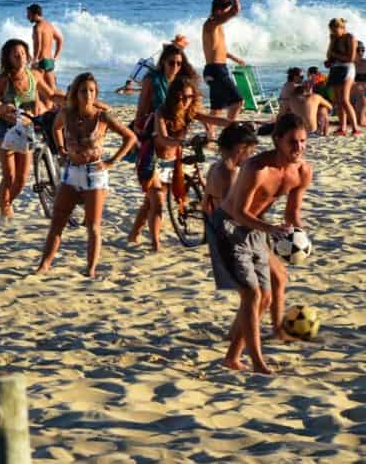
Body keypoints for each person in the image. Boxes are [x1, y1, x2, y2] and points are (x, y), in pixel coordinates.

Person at [209, 113, 312, 374]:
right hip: (228, 228)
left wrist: (300, 235)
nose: (298, 148)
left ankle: (232, 357)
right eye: (292, 142)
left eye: (302, 141)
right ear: (277, 139)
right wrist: (271, 229)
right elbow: (239, 212)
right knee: (252, 295)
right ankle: (257, 362)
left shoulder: (302, 171)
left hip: (257, 229)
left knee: (265, 297)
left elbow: (292, 214)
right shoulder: (256, 168)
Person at [36, 73, 136, 277]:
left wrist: (112, 162)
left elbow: (130, 137)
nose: (87, 95)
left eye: (91, 91)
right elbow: (56, 128)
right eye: (83, 91)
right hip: (71, 172)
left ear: (96, 93)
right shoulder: (67, 113)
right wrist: (62, 150)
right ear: (75, 94)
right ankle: (44, 265)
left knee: (92, 225)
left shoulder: (102, 117)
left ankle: (90, 269)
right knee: (58, 221)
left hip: (95, 174)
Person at [203, 122, 293, 344]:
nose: (251, 156)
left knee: (269, 284)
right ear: (240, 148)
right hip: (241, 234)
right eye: (250, 151)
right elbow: (233, 209)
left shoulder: (215, 167)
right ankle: (248, 334)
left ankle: (256, 331)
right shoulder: (230, 172)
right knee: (261, 291)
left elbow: (206, 203)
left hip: (237, 231)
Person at [127, 76, 232, 251]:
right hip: (152, 161)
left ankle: (133, 234)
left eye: (189, 97)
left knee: (150, 202)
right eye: (182, 96)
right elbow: (162, 137)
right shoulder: (161, 112)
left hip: (171, 163)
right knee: (158, 202)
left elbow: (214, 120)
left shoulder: (189, 113)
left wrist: (235, 124)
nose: (185, 101)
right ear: (173, 96)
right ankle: (156, 244)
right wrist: (180, 143)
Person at [0, 39, 61, 220]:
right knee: (9, 176)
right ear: (8, 59)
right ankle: (5, 212)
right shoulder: (2, 80)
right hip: (5, 130)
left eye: (22, 53)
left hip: (27, 130)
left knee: (22, 178)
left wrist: (75, 100)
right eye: (15, 55)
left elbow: (50, 94)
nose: (20, 57)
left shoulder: (33, 75)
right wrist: (3, 109)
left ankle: (6, 204)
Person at [201, 0, 245, 139]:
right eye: (226, 10)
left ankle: (210, 134)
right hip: (216, 69)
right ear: (219, 10)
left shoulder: (216, 26)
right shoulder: (211, 23)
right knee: (238, 101)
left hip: (214, 69)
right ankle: (230, 131)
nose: (227, 14)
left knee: (217, 108)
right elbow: (233, 13)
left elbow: (218, 48)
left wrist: (234, 58)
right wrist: (235, 6)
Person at [134, 43, 198, 130]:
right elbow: (142, 107)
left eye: (179, 63)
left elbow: (192, 106)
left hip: (177, 121)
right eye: (171, 63)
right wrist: (138, 125)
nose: (175, 66)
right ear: (163, 61)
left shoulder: (182, 81)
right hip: (156, 122)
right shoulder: (151, 79)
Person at [325, 17, 360, 135]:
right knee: (338, 101)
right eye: (331, 31)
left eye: (334, 30)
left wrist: (334, 54)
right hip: (335, 68)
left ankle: (355, 128)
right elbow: (330, 55)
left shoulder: (350, 37)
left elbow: (351, 58)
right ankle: (342, 128)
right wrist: (329, 60)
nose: (333, 33)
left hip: (347, 68)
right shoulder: (334, 38)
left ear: (341, 28)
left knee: (345, 100)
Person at [26, 3, 64, 111]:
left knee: (37, 89)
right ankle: (62, 106)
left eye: (29, 14)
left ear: (35, 14)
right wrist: (56, 56)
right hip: (49, 61)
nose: (27, 17)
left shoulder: (37, 27)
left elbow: (38, 45)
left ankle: (44, 109)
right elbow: (60, 39)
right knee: (52, 90)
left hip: (40, 62)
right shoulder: (49, 25)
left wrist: (34, 60)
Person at [353, 42, 366, 125]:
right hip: (353, 93)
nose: (361, 52)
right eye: (358, 50)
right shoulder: (348, 65)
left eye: (363, 50)